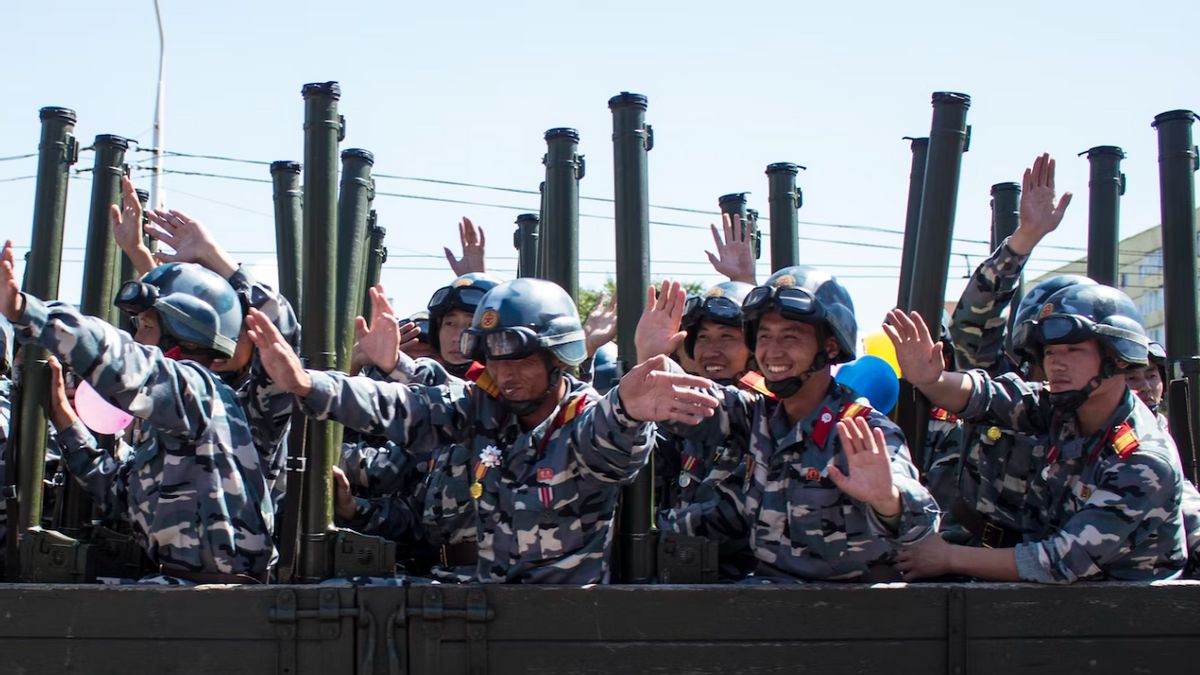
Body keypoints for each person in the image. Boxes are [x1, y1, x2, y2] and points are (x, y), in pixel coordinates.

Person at [247, 277, 719, 583]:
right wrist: (307, 384)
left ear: (557, 358)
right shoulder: (484, 411)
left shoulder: (585, 419)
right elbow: (402, 405)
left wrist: (630, 411)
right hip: (484, 608)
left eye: (521, 361)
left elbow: (612, 442)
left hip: (565, 626)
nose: (506, 374)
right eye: (494, 360)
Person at [0, 240, 275, 583]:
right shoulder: (174, 421)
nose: (137, 337)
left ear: (182, 336)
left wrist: (29, 312)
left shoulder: (198, 391)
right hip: (181, 592)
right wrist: (64, 420)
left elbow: (125, 361)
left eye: (146, 326)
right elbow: (119, 494)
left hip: (215, 604)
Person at [653, 267, 938, 582]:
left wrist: (888, 502)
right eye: (764, 336)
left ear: (829, 347)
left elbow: (922, 529)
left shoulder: (861, 428)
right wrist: (651, 355)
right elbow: (675, 401)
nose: (773, 351)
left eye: (790, 336)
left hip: (849, 613)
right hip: (762, 601)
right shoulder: (754, 415)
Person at [890, 283, 1186, 583]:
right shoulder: (1064, 406)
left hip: (1129, 618)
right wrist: (932, 381)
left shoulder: (1142, 459)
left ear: (1118, 358)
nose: (1055, 363)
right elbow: (988, 397)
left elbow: (1060, 560)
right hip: (1063, 605)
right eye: (1050, 352)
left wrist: (949, 557)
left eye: (1073, 350)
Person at [942, 153, 1082, 547]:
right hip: (970, 552)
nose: (1061, 360)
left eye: (1075, 348)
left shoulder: (1098, 408)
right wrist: (1025, 239)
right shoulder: (1002, 382)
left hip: (1058, 563)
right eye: (1050, 347)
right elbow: (973, 322)